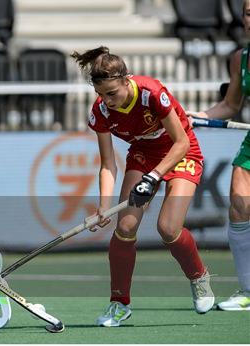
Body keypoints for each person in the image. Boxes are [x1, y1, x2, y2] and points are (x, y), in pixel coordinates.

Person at [71, 46, 215, 327]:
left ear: (126, 80)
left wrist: (153, 177)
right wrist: (103, 207)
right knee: (124, 227)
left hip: (181, 153)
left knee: (168, 228)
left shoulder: (151, 93)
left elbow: (182, 142)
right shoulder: (100, 111)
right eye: (101, 94)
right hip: (143, 154)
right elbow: (107, 164)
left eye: (112, 93)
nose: (107, 101)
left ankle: (199, 277)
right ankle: (119, 303)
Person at [187, 0, 250, 311]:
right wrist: (197, 117)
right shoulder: (241, 58)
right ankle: (248, 290)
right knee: (239, 207)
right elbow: (231, 105)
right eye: (249, 13)